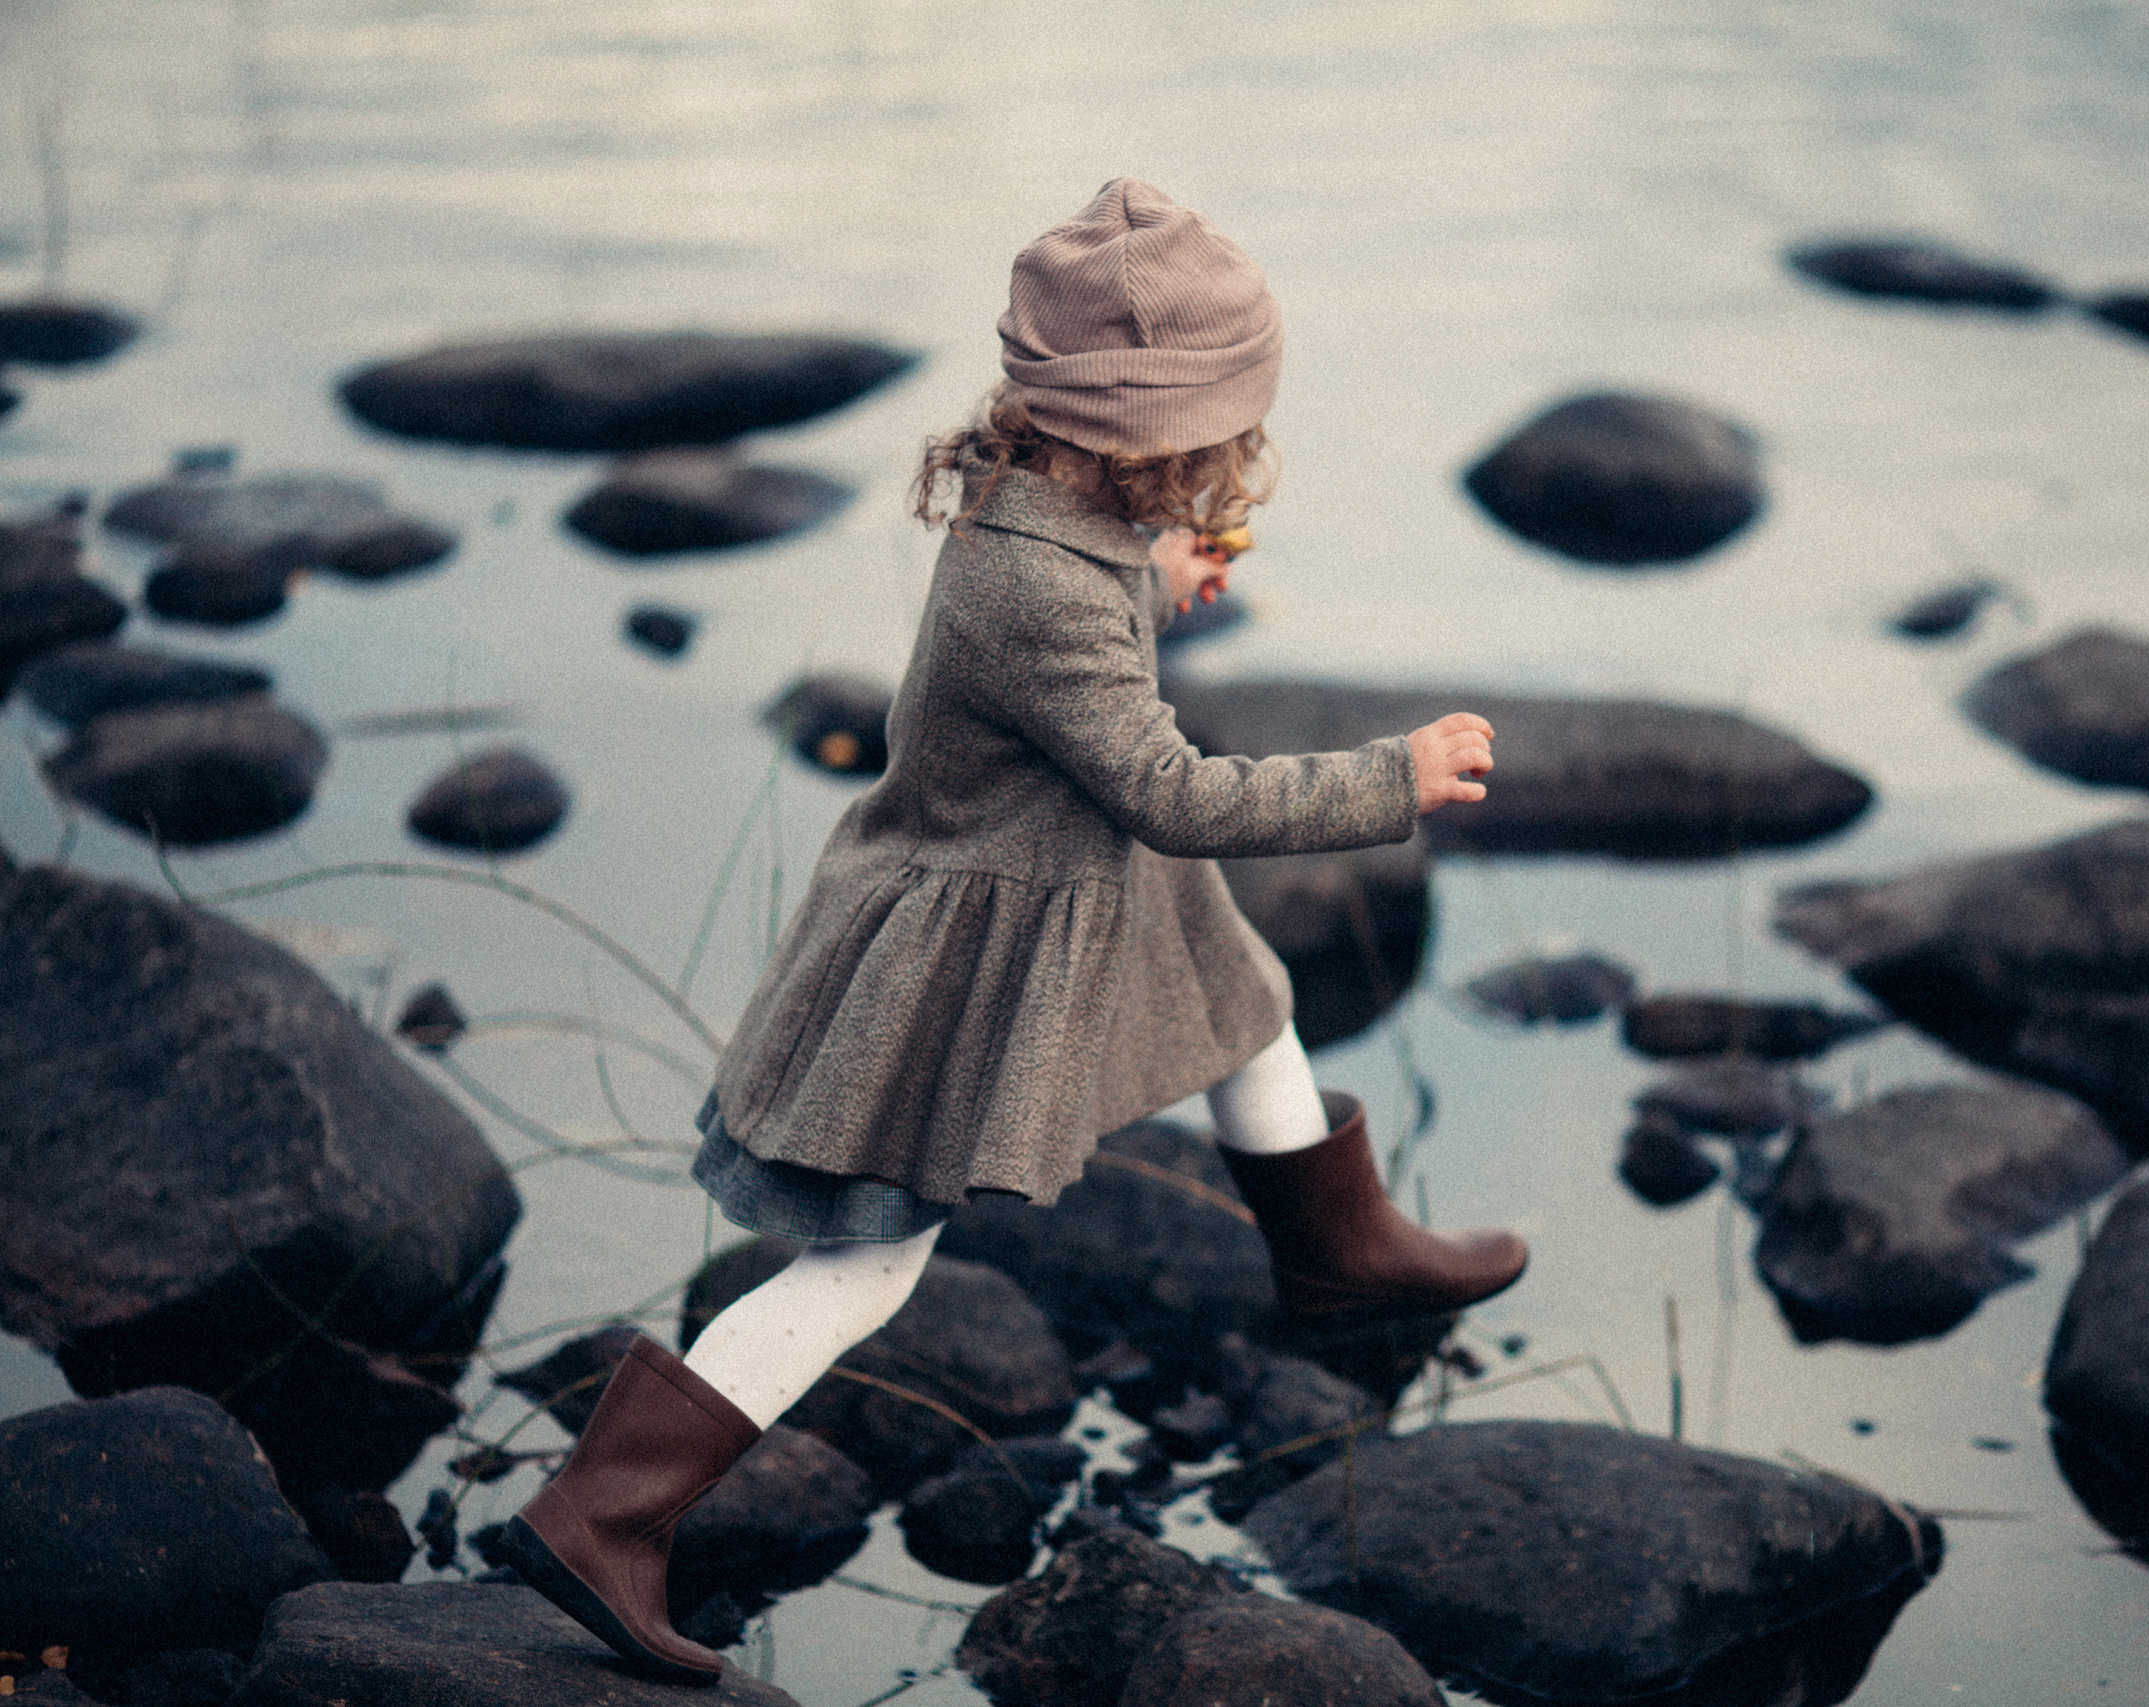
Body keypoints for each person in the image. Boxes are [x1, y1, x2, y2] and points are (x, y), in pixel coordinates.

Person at [496, 177, 1529, 1683]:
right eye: (1217, 438)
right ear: (1152, 429)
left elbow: (1091, 643)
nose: (1228, 468)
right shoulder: (1035, 583)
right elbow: (1166, 791)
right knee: (867, 1267)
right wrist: (1392, 777)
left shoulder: (1047, 511)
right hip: (963, 956)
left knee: (1246, 996)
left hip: (1060, 885)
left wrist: (1161, 569)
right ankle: (606, 1512)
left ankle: (1341, 1247)